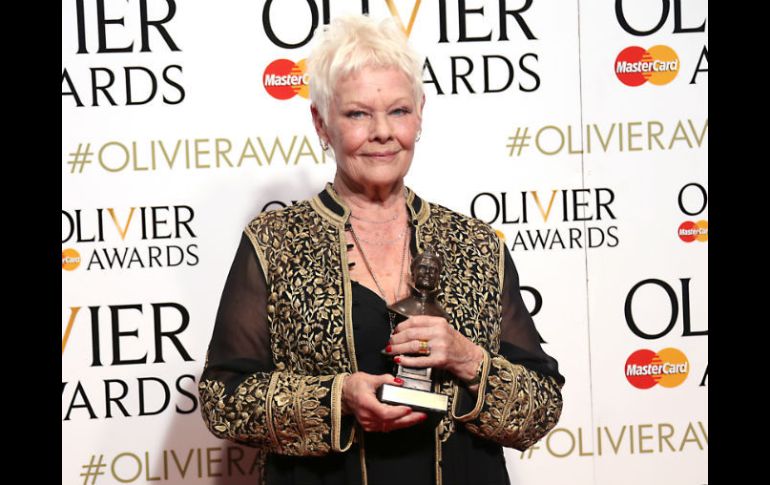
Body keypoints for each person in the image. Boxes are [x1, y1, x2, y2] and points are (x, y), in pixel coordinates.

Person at [198, 15, 564, 485]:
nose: (382, 132)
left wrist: (466, 359)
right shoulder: (275, 243)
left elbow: (541, 407)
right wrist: (337, 399)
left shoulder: (473, 243)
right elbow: (223, 401)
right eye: (357, 114)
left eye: (398, 111)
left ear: (420, 114)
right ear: (321, 123)